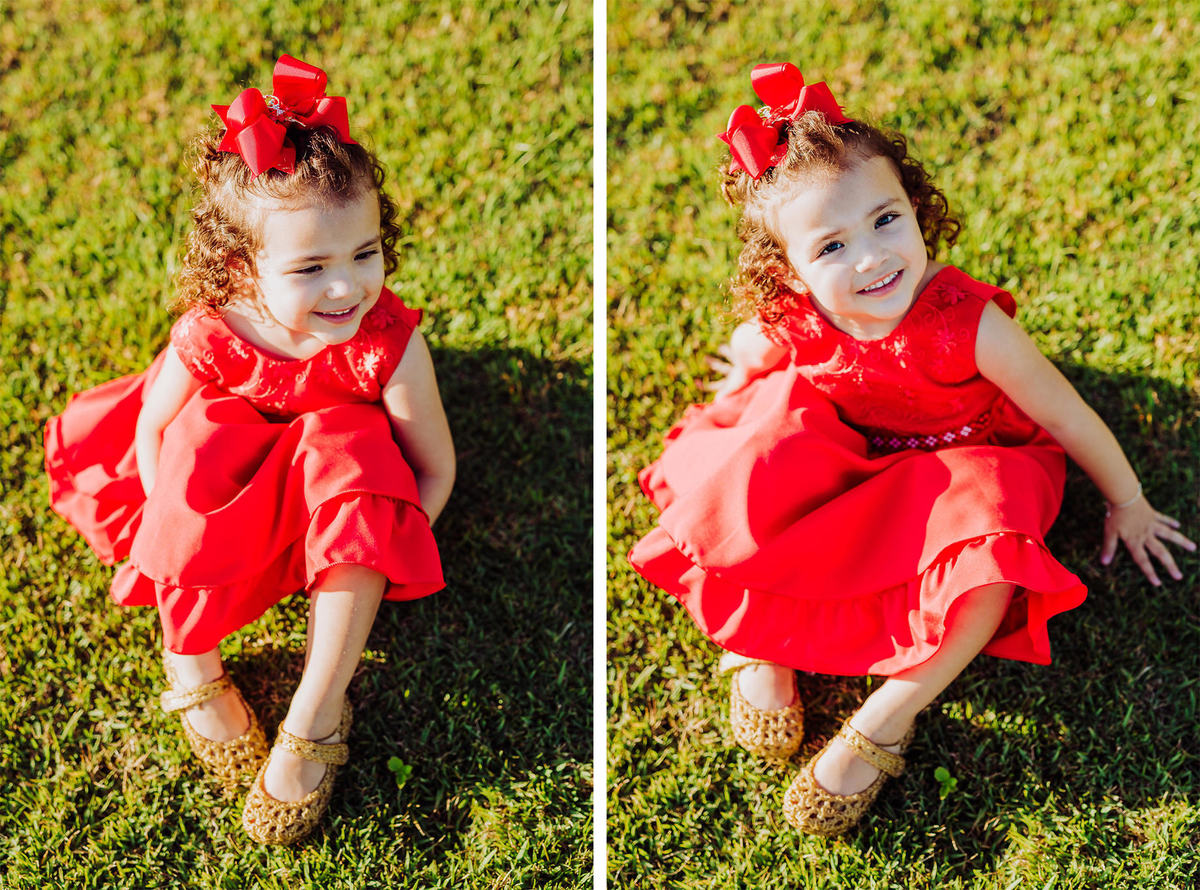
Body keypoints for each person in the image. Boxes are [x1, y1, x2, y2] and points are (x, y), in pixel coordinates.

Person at [628, 62, 1195, 837]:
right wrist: (749, 365)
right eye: (830, 246)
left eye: (886, 220)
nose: (871, 258)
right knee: (756, 460)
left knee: (989, 547)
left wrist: (1127, 501)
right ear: (787, 273)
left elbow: (1065, 414)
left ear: (917, 208)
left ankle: (889, 714)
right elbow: (756, 335)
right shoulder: (801, 318)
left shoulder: (969, 325)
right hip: (851, 456)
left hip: (966, 464)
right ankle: (764, 646)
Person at [44, 55, 455, 845]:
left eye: (363, 254)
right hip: (228, 484)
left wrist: (393, 539)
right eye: (310, 268)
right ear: (242, 269)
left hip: (331, 503)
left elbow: (433, 467)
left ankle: (316, 713)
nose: (346, 288)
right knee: (198, 440)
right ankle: (190, 656)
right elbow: (151, 432)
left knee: (357, 444)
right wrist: (172, 526)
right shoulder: (214, 330)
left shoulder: (388, 348)